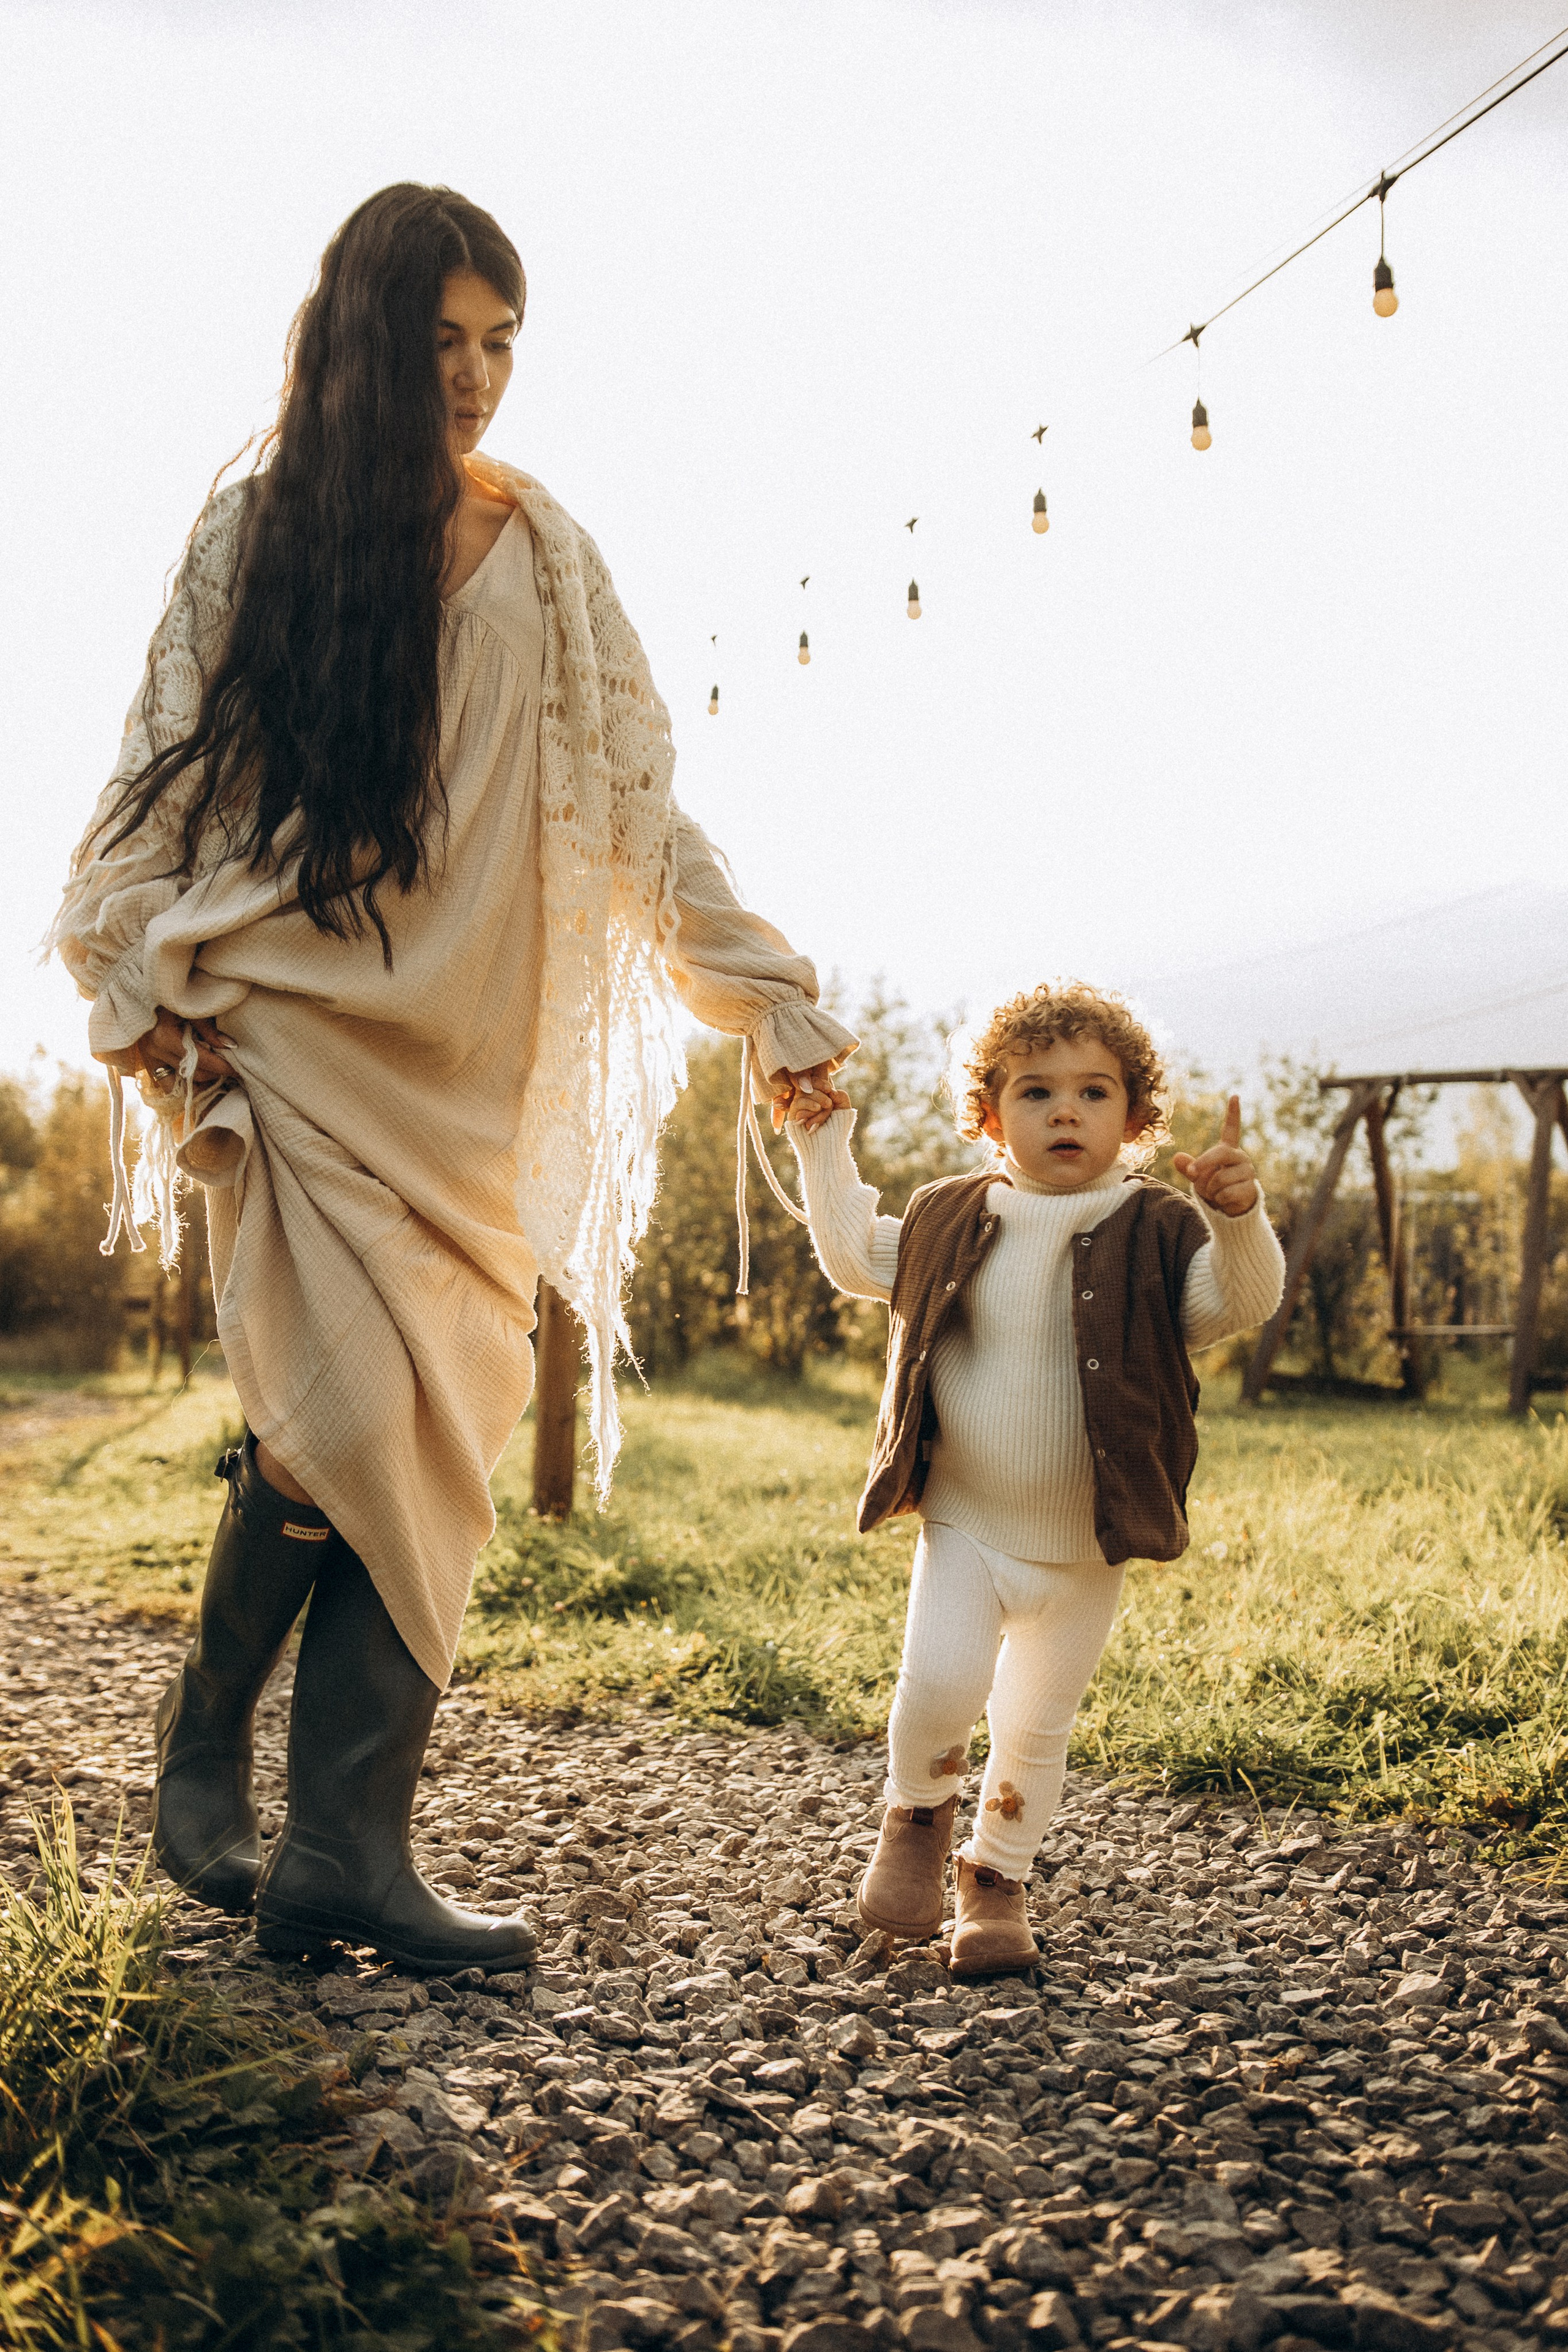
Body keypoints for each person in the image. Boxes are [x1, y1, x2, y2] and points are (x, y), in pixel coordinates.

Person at [48, 184, 853, 1975]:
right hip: (300, 1036)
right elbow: (160, 764)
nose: (478, 377)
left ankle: (346, 1851)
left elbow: (639, 811)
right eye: (441, 343)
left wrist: (764, 993)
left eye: (501, 344)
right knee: (329, 1416)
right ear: (366, 344)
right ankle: (205, 1760)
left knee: (434, 1444)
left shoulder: (549, 553)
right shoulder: (258, 530)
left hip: (476, 1079)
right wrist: (122, 970)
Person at [781, 981, 1284, 1976]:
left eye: (1095, 1093)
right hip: (966, 1521)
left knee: (1033, 1727)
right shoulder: (951, 1216)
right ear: (988, 1116)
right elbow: (850, 1255)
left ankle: (997, 1883)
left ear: (1136, 1119)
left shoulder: (1157, 1227)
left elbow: (1237, 1302)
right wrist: (821, 1141)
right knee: (939, 1683)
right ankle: (917, 1818)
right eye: (1036, 1091)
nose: (1066, 1112)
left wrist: (1238, 1216)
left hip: (1088, 1543)